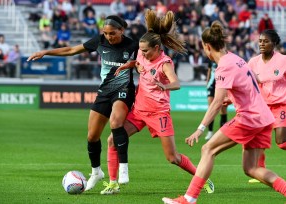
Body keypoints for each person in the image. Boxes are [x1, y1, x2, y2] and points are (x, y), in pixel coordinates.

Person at [162, 21, 286, 204]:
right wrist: (233, 99)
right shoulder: (237, 58)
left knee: (208, 149)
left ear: (207, 46)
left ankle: (189, 198)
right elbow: (249, 87)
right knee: (251, 168)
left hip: (249, 118)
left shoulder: (223, 67)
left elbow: (216, 103)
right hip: (264, 118)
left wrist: (200, 128)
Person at [100, 10, 214, 195]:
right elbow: (138, 64)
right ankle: (113, 183)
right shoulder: (142, 55)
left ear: (157, 48)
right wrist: (126, 65)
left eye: (145, 51)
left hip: (159, 113)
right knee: (113, 139)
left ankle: (202, 178)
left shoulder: (164, 63)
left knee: (172, 158)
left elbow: (176, 83)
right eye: (141, 50)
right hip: (138, 111)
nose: (142, 54)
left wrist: (164, 85)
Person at [27, 15, 139, 191]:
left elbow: (145, 63)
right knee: (92, 136)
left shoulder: (133, 45)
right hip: (104, 92)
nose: (109, 36)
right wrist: (45, 52)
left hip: (124, 90)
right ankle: (96, 172)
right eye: (106, 33)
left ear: (121, 30)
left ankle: (124, 169)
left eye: (113, 33)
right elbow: (71, 50)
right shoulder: (99, 41)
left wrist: (134, 64)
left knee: (116, 122)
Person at [247, 29, 286, 183]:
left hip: (280, 105)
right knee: (258, 138)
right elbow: (248, 85)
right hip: (261, 107)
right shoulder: (253, 62)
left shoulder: (283, 60)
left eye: (266, 41)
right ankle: (260, 169)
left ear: (274, 44)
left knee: (281, 142)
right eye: (260, 41)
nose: (262, 44)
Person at [205, 61, 228, 140]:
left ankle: (223, 133)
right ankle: (210, 132)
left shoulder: (226, 59)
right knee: (211, 108)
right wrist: (207, 82)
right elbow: (209, 71)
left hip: (222, 85)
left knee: (223, 109)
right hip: (212, 85)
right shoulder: (211, 59)